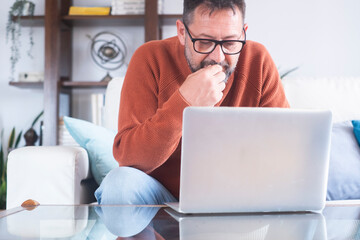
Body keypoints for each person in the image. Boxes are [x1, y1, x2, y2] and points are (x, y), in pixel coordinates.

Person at [95, 0, 289, 205]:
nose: (218, 57)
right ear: (182, 32)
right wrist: (183, 103)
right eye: (204, 42)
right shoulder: (150, 58)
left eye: (231, 42)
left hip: (237, 195)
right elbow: (129, 159)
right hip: (162, 197)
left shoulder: (258, 60)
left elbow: (286, 149)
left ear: (243, 33)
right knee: (119, 184)